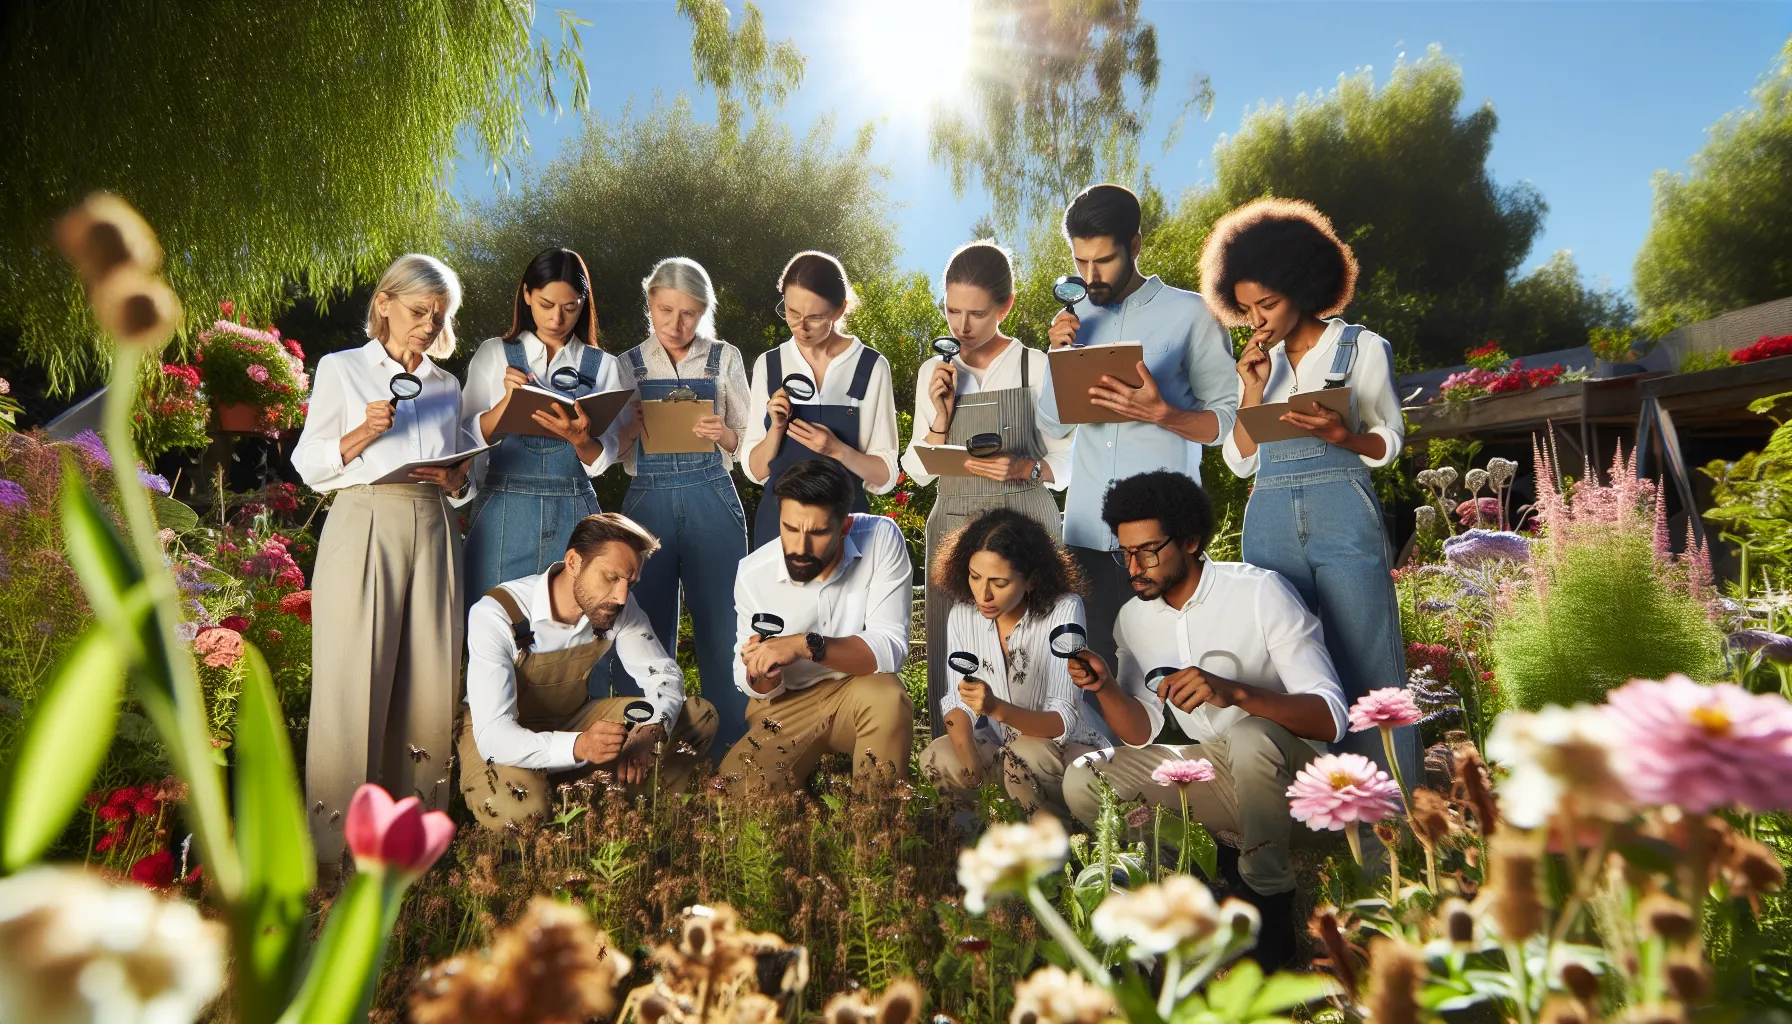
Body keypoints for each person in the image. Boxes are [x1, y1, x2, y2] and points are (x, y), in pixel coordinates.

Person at [1060, 470, 1348, 969]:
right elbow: (1142, 730)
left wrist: (1234, 691)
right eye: (1125, 553)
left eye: (1148, 550)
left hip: (1296, 778)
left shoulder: (1260, 593)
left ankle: (1268, 908)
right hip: (1214, 772)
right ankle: (1186, 872)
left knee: (1251, 732)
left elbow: (1330, 717)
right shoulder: (1133, 617)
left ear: (1191, 540)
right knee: (1084, 779)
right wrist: (1104, 687)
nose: (1135, 567)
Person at [1204, 198, 1415, 778]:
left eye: (1267, 304)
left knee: (1368, 660)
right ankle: (1313, 812)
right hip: (1269, 514)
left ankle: (1391, 820)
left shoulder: (1361, 348)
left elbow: (1388, 443)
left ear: (1302, 286)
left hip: (1341, 507)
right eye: (1245, 309)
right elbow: (1241, 463)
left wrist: (1344, 436)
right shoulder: (1255, 362)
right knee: (1283, 666)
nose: (1257, 320)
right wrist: (1251, 389)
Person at [291, 253, 478, 878]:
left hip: (434, 527)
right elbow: (311, 465)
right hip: (364, 521)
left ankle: (412, 862)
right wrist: (361, 435)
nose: (428, 325)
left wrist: (460, 479)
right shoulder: (342, 369)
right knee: (352, 687)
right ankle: (334, 864)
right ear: (385, 304)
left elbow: (461, 486)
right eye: (419, 311)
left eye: (439, 315)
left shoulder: (447, 386)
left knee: (429, 689)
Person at [1036, 183, 1238, 671]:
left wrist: (1162, 413)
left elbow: (1227, 422)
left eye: (1102, 260)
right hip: (1084, 532)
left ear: (1136, 245)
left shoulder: (1192, 315)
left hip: (1160, 539)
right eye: (1080, 261)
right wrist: (1057, 357)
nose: (1089, 275)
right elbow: (1051, 425)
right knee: (1093, 675)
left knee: (1171, 676)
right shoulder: (1073, 319)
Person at [901, 241, 1071, 737]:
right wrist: (939, 419)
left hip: (1027, 529)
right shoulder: (934, 373)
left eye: (976, 313)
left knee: (1036, 656)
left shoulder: (1035, 367)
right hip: (954, 526)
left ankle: (1036, 777)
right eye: (953, 310)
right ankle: (958, 792)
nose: (962, 326)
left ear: (1006, 306)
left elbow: (1069, 460)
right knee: (953, 660)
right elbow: (915, 471)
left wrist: (1026, 467)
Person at [459, 513, 719, 826]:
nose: (621, 596)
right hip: (498, 736)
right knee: (522, 813)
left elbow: (663, 676)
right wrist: (580, 745)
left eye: (629, 583)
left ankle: (653, 815)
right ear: (573, 563)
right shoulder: (498, 614)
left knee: (696, 717)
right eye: (611, 577)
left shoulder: (616, 606)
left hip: (573, 721)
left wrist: (650, 731)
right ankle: (556, 796)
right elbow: (494, 736)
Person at [603, 257, 753, 760]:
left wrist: (725, 434)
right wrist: (630, 427)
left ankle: (729, 760)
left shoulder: (724, 357)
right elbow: (612, 453)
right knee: (642, 626)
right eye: (665, 310)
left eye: (689, 313)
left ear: (704, 311)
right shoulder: (626, 364)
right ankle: (640, 759)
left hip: (712, 493)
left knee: (724, 627)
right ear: (650, 303)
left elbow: (750, 443)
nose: (676, 324)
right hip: (648, 500)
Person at [719, 458, 914, 794]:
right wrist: (762, 673)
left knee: (888, 698)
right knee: (730, 800)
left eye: (818, 532)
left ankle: (877, 829)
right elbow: (749, 682)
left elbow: (890, 646)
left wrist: (801, 645)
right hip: (785, 703)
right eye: (790, 529)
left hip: (858, 691)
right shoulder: (753, 573)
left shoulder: (881, 538)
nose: (799, 548)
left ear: (845, 526)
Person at [461, 247, 628, 605]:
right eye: (546, 304)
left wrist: (582, 442)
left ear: (583, 303)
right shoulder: (493, 354)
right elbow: (466, 440)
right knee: (491, 624)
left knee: (575, 633)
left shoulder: (604, 366)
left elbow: (603, 460)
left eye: (570, 307)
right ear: (527, 295)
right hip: (503, 509)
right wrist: (506, 405)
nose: (557, 318)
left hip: (574, 510)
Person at [919, 508, 1102, 824]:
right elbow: (957, 702)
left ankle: (1055, 851)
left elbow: (1061, 721)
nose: (983, 593)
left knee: (1025, 755)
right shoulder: (963, 614)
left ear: (1031, 579)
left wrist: (995, 708)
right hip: (1006, 751)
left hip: (1069, 753)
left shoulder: (1064, 609)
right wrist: (970, 764)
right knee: (939, 755)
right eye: (975, 577)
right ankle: (981, 843)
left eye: (999, 582)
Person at [742, 251, 900, 547]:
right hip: (778, 531)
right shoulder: (770, 364)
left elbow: (885, 476)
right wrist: (776, 429)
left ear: (840, 310)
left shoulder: (870, 366)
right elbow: (756, 470)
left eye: (815, 317)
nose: (800, 327)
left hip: (846, 531)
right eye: (791, 313)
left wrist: (837, 450)